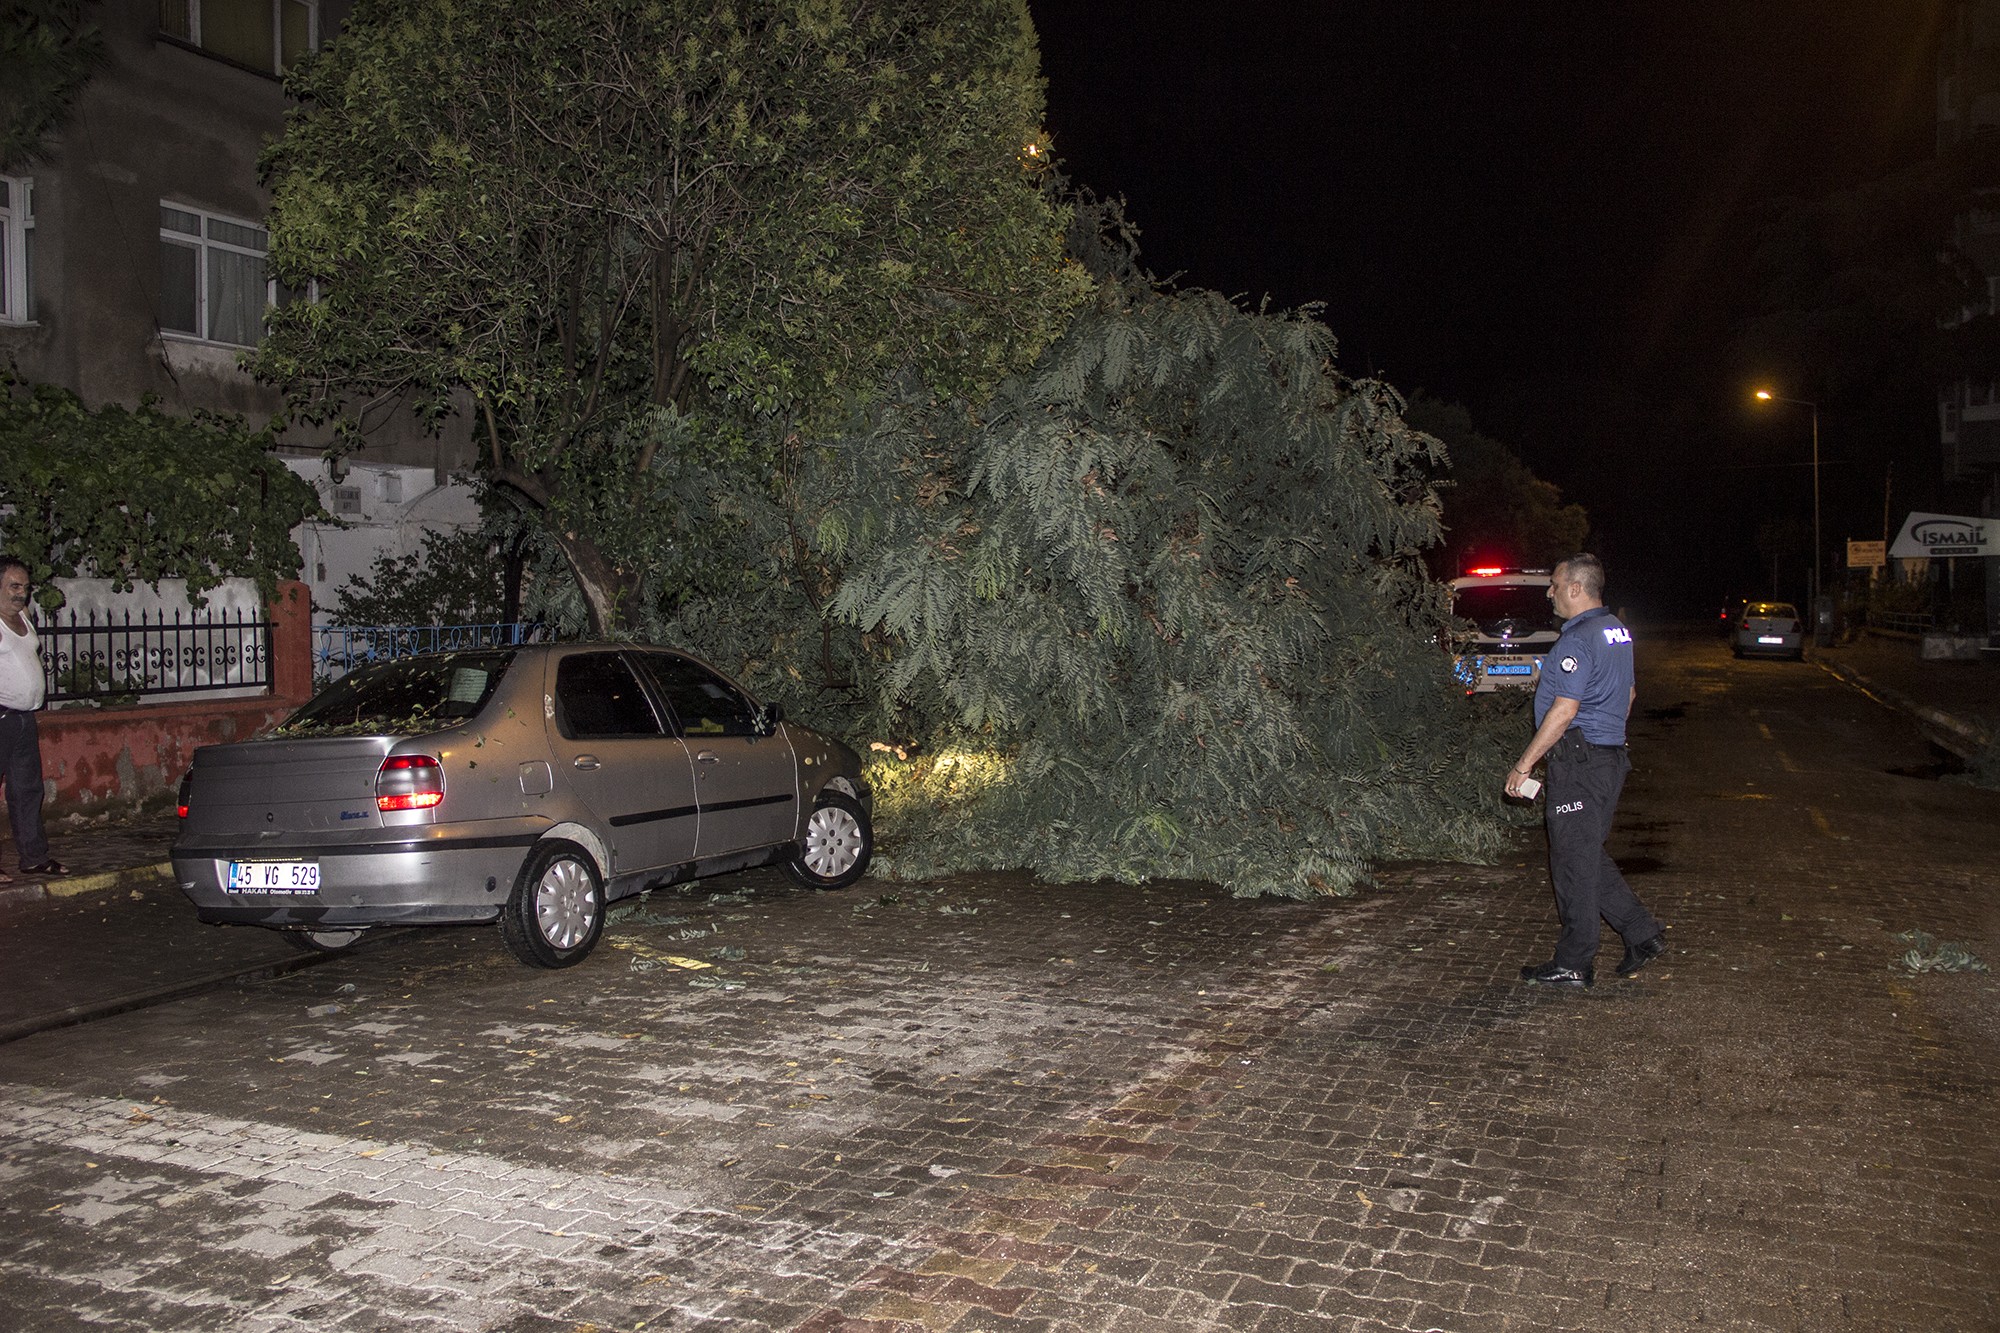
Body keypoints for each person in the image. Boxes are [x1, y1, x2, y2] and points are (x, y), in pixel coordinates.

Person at [1503, 554, 1662, 987]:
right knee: (1586, 853)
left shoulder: (1576, 640)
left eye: (1554, 584)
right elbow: (1628, 694)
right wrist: (1605, 737)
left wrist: (1525, 764)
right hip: (1606, 758)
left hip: (1581, 762)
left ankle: (1574, 961)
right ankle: (1642, 934)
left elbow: (1564, 709)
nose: (1550, 593)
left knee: (1572, 861)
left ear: (1576, 588)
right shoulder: (1617, 632)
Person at [0, 556, 67, 880]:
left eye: (25, 587)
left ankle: (33, 857)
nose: (21, 594)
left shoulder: (23, 617)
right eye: (14, 586)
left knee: (27, 790)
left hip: (23, 719)